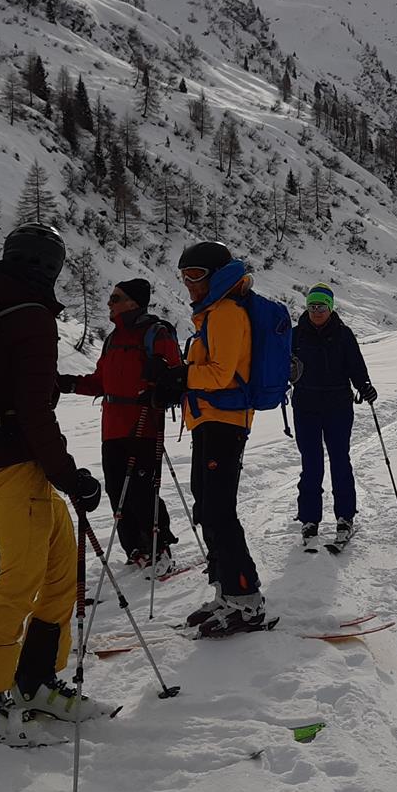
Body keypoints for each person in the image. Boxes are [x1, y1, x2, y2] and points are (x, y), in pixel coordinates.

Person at [0, 223, 111, 742]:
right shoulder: (29, 316)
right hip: (16, 469)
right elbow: (33, 413)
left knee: (61, 571)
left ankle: (34, 681)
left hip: (3, 466)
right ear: (52, 267)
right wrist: (71, 476)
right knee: (21, 580)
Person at [59, 278, 183, 575]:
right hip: (112, 427)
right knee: (117, 490)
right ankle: (135, 549)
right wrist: (69, 383)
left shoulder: (156, 333)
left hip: (143, 425)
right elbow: (101, 381)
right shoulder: (113, 339)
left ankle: (159, 549)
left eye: (115, 298)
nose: (109, 303)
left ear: (133, 303)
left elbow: (177, 377)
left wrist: (161, 384)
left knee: (142, 490)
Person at [176, 240, 268, 637]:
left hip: (224, 421)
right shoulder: (212, 314)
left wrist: (180, 376)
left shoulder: (227, 313)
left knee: (219, 510)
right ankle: (226, 591)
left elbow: (220, 373)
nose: (189, 283)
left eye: (196, 275)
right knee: (207, 505)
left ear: (215, 277)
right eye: (184, 276)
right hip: (209, 420)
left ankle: (246, 599)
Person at [292, 284, 376, 548]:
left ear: (330, 308)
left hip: (338, 406)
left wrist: (365, 386)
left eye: (321, 306)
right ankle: (309, 519)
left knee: (340, 460)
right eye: (312, 306)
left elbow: (356, 367)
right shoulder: (296, 335)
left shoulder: (343, 334)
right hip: (305, 406)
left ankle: (345, 517)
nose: (316, 311)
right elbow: (282, 366)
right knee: (311, 463)